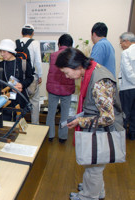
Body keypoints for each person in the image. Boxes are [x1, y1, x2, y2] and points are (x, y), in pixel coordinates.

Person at [55, 47, 124, 200]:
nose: (66, 77)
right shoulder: (91, 71)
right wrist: (79, 117)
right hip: (97, 129)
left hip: (104, 131)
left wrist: (81, 121)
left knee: (94, 168)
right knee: (94, 167)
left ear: (77, 66)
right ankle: (96, 190)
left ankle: (88, 196)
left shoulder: (99, 82)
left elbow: (107, 118)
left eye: (66, 72)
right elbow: (93, 107)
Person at [46, 34, 75, 143]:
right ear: (71, 45)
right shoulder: (73, 55)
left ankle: (50, 135)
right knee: (65, 114)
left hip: (53, 89)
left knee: (51, 113)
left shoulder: (53, 55)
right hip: (67, 90)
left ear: (59, 44)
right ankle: (63, 137)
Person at [0, 39, 34, 121]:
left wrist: (22, 84)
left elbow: (30, 78)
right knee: (6, 123)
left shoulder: (22, 63)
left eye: (4, 51)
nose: (2, 54)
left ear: (11, 51)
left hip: (20, 99)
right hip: (5, 100)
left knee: (19, 123)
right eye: (0, 51)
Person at [17, 24, 42, 124]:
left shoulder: (16, 43)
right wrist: (40, 75)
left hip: (19, 78)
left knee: (19, 101)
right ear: (32, 33)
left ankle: (19, 124)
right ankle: (35, 125)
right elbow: (38, 61)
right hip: (31, 77)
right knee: (35, 102)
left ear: (22, 33)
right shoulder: (35, 43)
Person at [118, 32, 135, 140]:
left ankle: (121, 135)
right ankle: (132, 134)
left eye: (121, 43)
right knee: (134, 112)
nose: (121, 46)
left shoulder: (126, 53)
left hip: (127, 88)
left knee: (124, 112)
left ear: (126, 41)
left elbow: (127, 72)